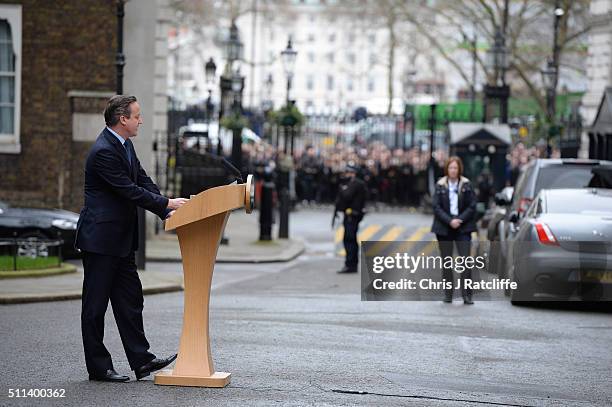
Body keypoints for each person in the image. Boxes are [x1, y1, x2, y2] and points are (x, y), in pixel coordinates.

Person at [75, 95, 189, 382]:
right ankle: (99, 367)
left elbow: (142, 180)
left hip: (120, 241)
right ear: (122, 119)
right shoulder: (104, 151)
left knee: (130, 300)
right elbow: (128, 190)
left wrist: (166, 209)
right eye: (137, 115)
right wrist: (165, 204)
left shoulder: (125, 146)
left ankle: (142, 361)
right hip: (101, 241)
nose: (141, 120)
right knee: (95, 306)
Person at [431, 156, 477, 304]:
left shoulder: (466, 184)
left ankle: (467, 295)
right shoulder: (440, 185)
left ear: (459, 170)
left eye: (455, 168)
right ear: (447, 169)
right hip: (444, 228)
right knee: (447, 262)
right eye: (450, 167)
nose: (453, 170)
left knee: (465, 262)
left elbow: (472, 206)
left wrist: (459, 219)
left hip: (463, 227)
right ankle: (448, 294)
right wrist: (450, 221)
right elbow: (436, 207)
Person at [332, 164, 368, 273]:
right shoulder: (352, 184)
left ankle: (350, 264)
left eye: (348, 173)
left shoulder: (356, 184)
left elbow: (347, 196)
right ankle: (351, 264)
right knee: (349, 239)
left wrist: (343, 188)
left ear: (353, 173)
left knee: (349, 239)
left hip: (352, 215)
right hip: (350, 215)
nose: (346, 175)